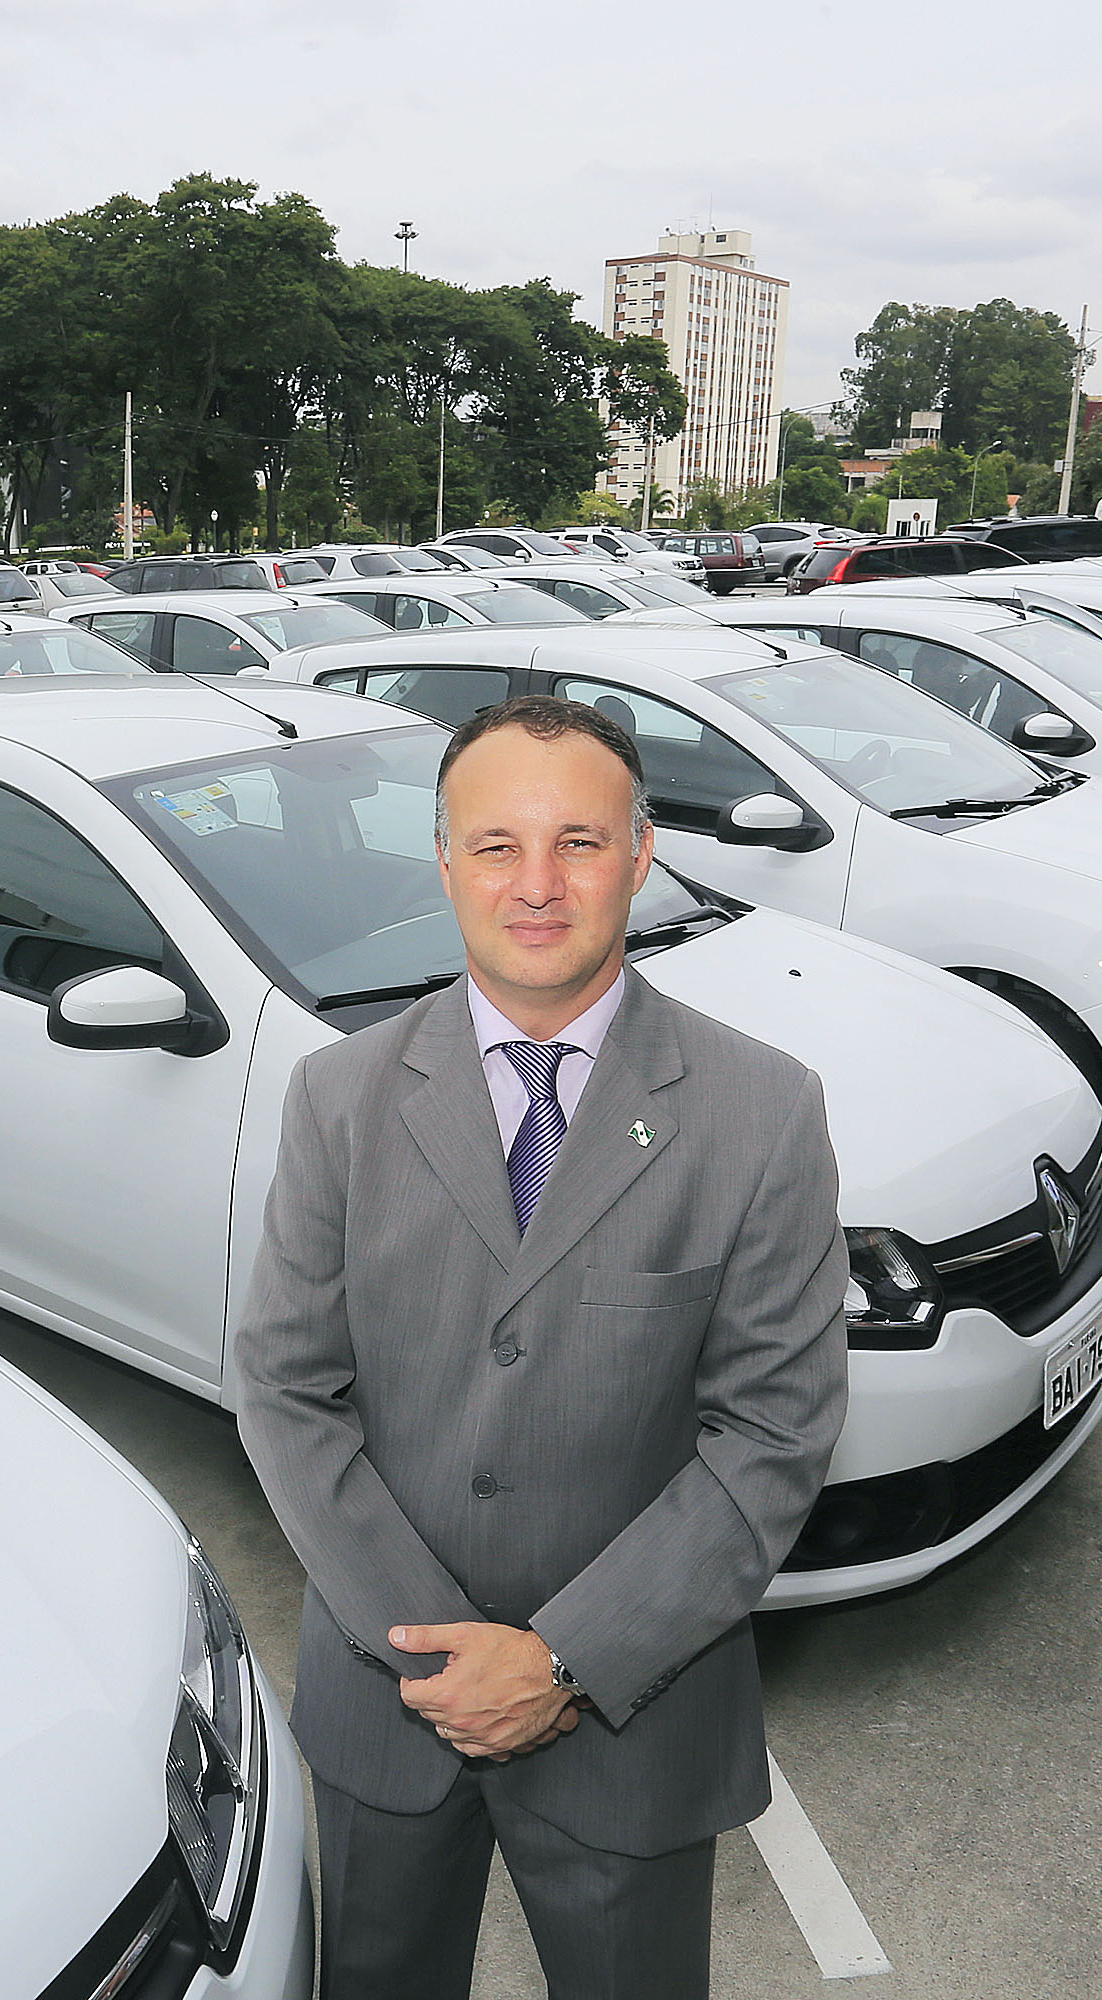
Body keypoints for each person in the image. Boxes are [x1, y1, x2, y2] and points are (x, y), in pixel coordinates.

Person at [235, 693, 849, 2000]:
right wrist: (441, 1658)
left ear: (640, 856)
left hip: (633, 1724)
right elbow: (286, 1388)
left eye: (578, 841)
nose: (537, 883)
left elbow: (773, 1434)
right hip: (392, 1708)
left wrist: (563, 1661)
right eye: (497, 844)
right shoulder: (338, 1097)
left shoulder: (763, 1112)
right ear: (444, 863)